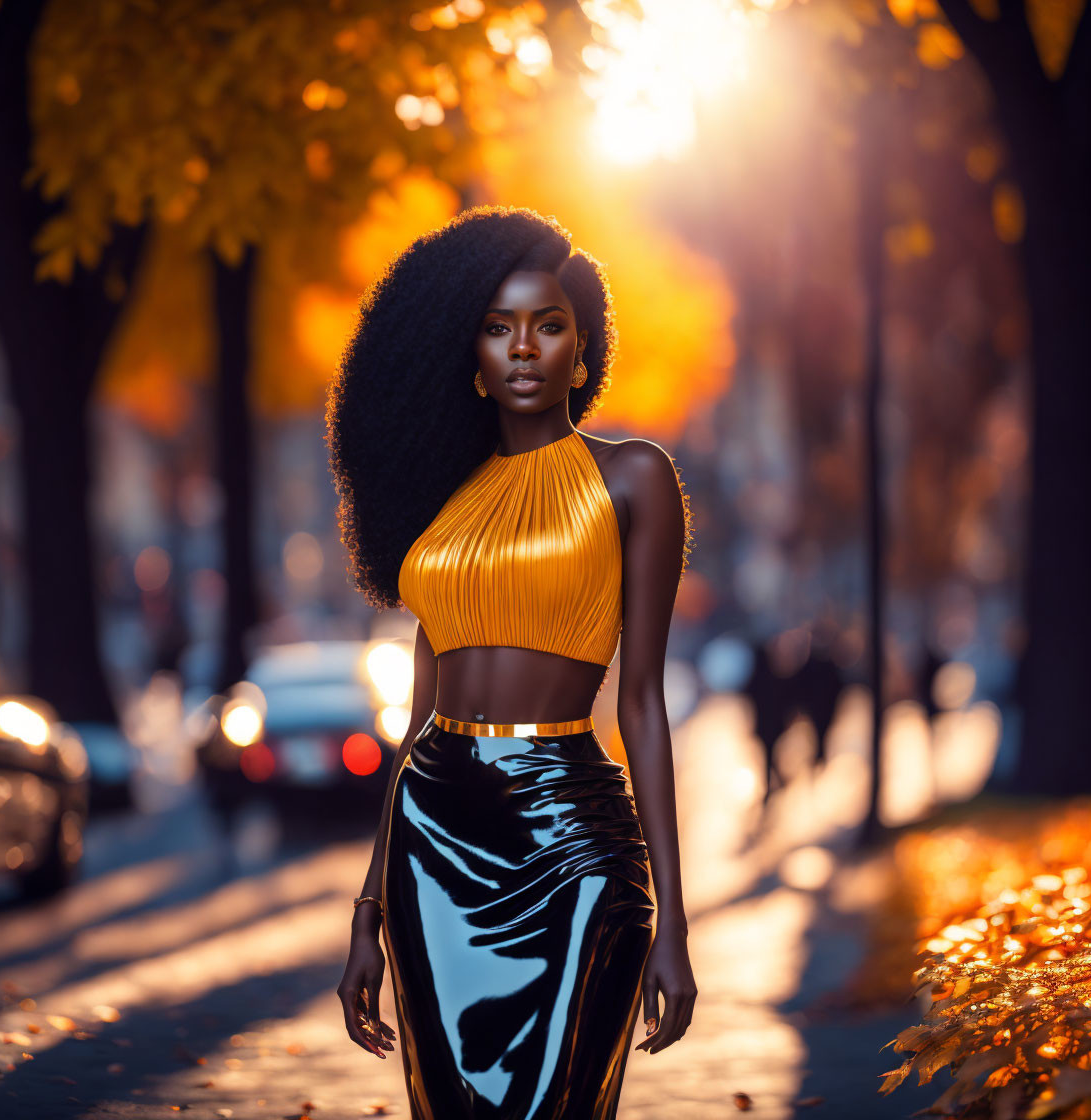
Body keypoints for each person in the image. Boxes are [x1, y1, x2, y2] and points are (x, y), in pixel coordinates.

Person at [327, 205, 697, 1118]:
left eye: (548, 326)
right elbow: (416, 725)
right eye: (498, 329)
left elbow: (642, 706)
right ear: (474, 360)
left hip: (573, 835)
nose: (523, 349)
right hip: (431, 836)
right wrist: (368, 913)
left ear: (583, 350)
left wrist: (677, 927)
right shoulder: (442, 500)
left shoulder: (632, 479)